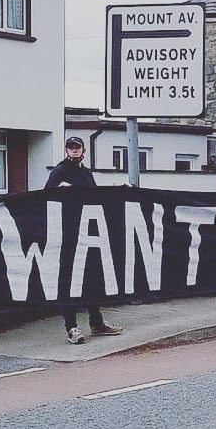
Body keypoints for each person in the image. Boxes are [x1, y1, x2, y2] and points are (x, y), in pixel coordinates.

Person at [46, 137, 124, 343]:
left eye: (77, 148)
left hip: (87, 233)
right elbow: (45, 198)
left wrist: (118, 192)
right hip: (67, 234)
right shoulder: (59, 172)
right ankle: (71, 328)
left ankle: (97, 323)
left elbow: (95, 197)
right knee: (68, 280)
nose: (74, 151)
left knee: (91, 277)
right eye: (70, 148)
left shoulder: (86, 173)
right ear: (66, 151)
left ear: (83, 151)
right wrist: (59, 189)